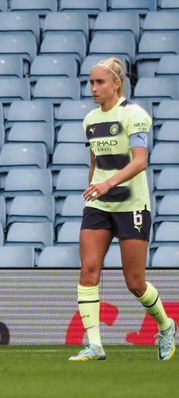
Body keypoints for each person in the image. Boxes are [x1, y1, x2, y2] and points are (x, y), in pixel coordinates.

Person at [69, 57, 175, 361]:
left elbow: (140, 160)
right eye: (90, 82)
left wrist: (108, 184)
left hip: (132, 205)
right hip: (99, 204)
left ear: (117, 83)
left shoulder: (134, 114)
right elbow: (95, 163)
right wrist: (93, 187)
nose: (93, 88)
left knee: (135, 282)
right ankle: (95, 345)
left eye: (100, 82)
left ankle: (166, 325)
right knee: (89, 270)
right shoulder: (89, 120)